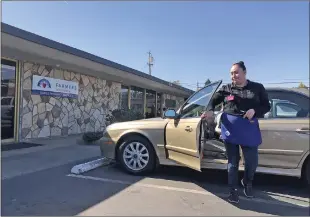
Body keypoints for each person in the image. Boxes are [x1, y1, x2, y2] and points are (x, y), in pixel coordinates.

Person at [201, 61, 271, 203]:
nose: (234, 76)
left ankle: (247, 181)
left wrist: (255, 111)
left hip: (249, 128)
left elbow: (267, 106)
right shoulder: (226, 89)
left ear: (245, 72)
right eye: (231, 73)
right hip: (230, 130)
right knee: (232, 162)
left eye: (236, 72)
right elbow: (212, 101)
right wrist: (209, 110)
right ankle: (232, 191)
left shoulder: (257, 88)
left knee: (252, 162)